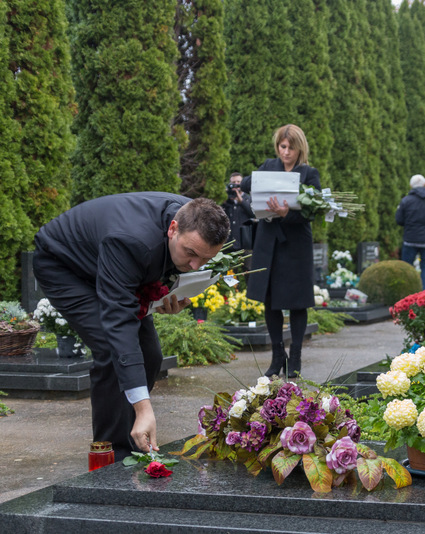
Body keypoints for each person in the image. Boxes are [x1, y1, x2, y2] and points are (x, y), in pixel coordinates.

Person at [33, 194, 230, 461]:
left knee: (150, 354)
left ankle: (132, 437)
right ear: (173, 228)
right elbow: (119, 323)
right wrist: (143, 407)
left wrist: (168, 295)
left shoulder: (197, 215)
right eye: (191, 254)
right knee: (110, 349)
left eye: (205, 259)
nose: (195, 265)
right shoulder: (131, 241)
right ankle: (110, 456)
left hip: (112, 264)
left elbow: (158, 267)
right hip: (65, 266)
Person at [240, 124, 320, 379]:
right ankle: (277, 356)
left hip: (295, 244)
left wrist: (288, 213)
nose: (286, 152)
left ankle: (295, 356)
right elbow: (246, 183)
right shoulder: (268, 166)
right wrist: (252, 183)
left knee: (298, 301)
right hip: (268, 241)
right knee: (270, 298)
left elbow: (313, 211)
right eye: (282, 146)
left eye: (291, 147)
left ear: (300, 148)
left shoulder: (309, 173)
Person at [396, 174, 425, 290]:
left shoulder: (406, 201)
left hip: (410, 239)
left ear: (411, 185)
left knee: (407, 268)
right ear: (424, 184)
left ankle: (408, 292)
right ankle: (424, 294)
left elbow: (399, 220)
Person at [221, 172, 256, 253]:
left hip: (244, 243)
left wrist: (242, 202)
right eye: (233, 182)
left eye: (238, 182)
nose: (236, 185)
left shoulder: (248, 198)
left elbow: (253, 214)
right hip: (228, 244)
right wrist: (225, 200)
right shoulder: (226, 199)